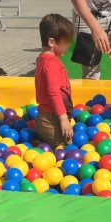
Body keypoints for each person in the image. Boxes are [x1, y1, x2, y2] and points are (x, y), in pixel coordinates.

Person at [35, 14, 74, 148]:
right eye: (66, 42)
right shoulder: (52, 63)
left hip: (44, 117)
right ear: (52, 42)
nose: (68, 46)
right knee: (65, 148)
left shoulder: (42, 59)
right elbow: (53, 92)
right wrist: (63, 119)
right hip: (52, 120)